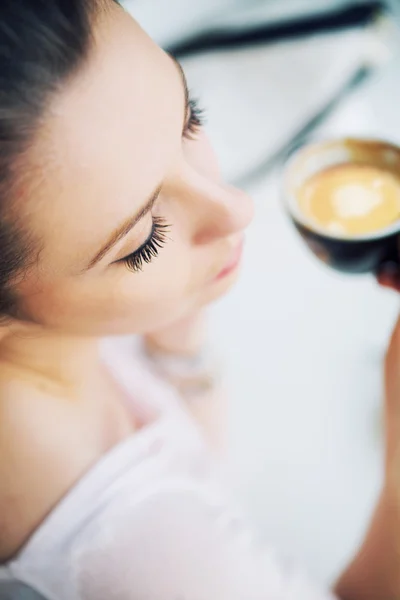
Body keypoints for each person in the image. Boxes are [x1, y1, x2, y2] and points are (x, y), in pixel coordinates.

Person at [0, 1, 399, 598]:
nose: (237, 207)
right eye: (143, 239)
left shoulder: (56, 345)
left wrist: (176, 337)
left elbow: (195, 457)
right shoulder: (136, 554)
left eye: (190, 118)